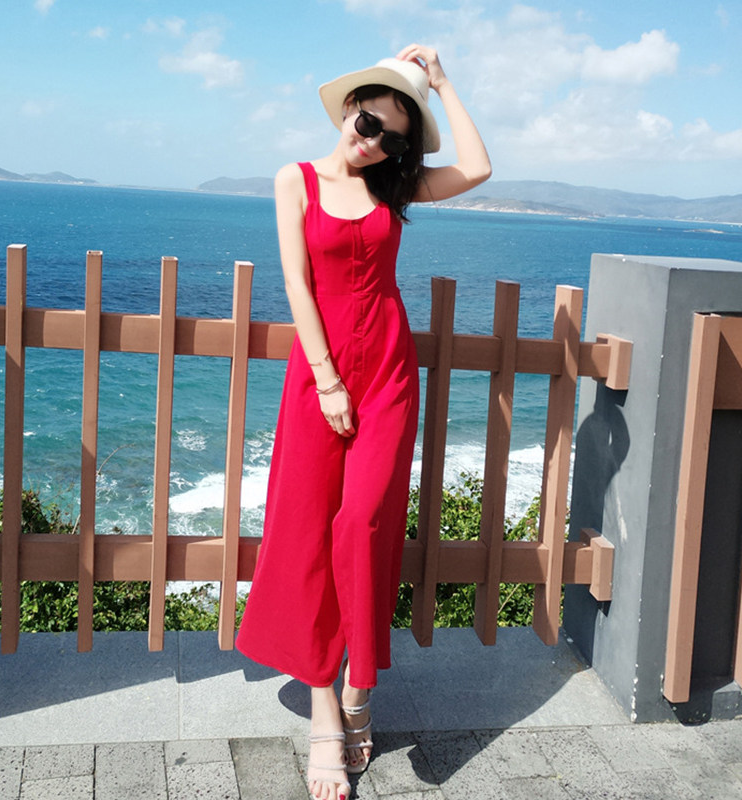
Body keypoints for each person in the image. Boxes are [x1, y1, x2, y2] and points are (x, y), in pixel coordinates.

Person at [236, 43, 491, 800]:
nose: (372, 140)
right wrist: (325, 381)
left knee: (365, 521)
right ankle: (325, 708)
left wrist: (442, 82)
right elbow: (296, 282)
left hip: (386, 372)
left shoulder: (394, 187)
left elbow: (478, 168)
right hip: (320, 378)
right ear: (349, 109)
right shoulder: (296, 178)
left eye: (391, 137)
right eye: (368, 121)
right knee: (309, 529)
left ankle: (360, 685)